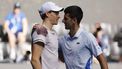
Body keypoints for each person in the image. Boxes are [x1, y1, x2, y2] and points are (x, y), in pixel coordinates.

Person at [31, 2, 63, 69]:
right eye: (56, 13)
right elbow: (34, 60)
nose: (59, 16)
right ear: (47, 14)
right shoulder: (41, 30)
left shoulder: (54, 32)